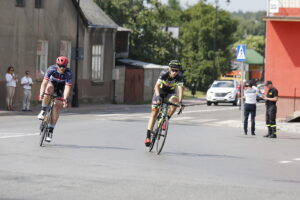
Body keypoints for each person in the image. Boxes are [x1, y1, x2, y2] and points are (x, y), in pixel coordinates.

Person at [144, 60, 184, 146]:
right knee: (154, 112)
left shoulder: (179, 77)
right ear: (169, 68)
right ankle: (148, 137)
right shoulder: (164, 74)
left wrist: (180, 102)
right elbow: (156, 86)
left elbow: (180, 89)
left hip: (170, 93)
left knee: (175, 103)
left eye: (176, 70)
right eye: (172, 70)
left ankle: (166, 120)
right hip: (160, 92)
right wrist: (158, 97)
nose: (174, 72)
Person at [37, 56, 72, 142]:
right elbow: (44, 82)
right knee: (48, 89)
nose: (62, 68)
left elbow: (67, 87)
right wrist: (41, 93)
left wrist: (65, 99)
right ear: (57, 65)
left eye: (64, 66)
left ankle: (50, 130)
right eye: (60, 66)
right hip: (52, 84)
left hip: (61, 87)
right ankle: (43, 110)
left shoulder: (69, 73)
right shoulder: (51, 69)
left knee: (58, 106)